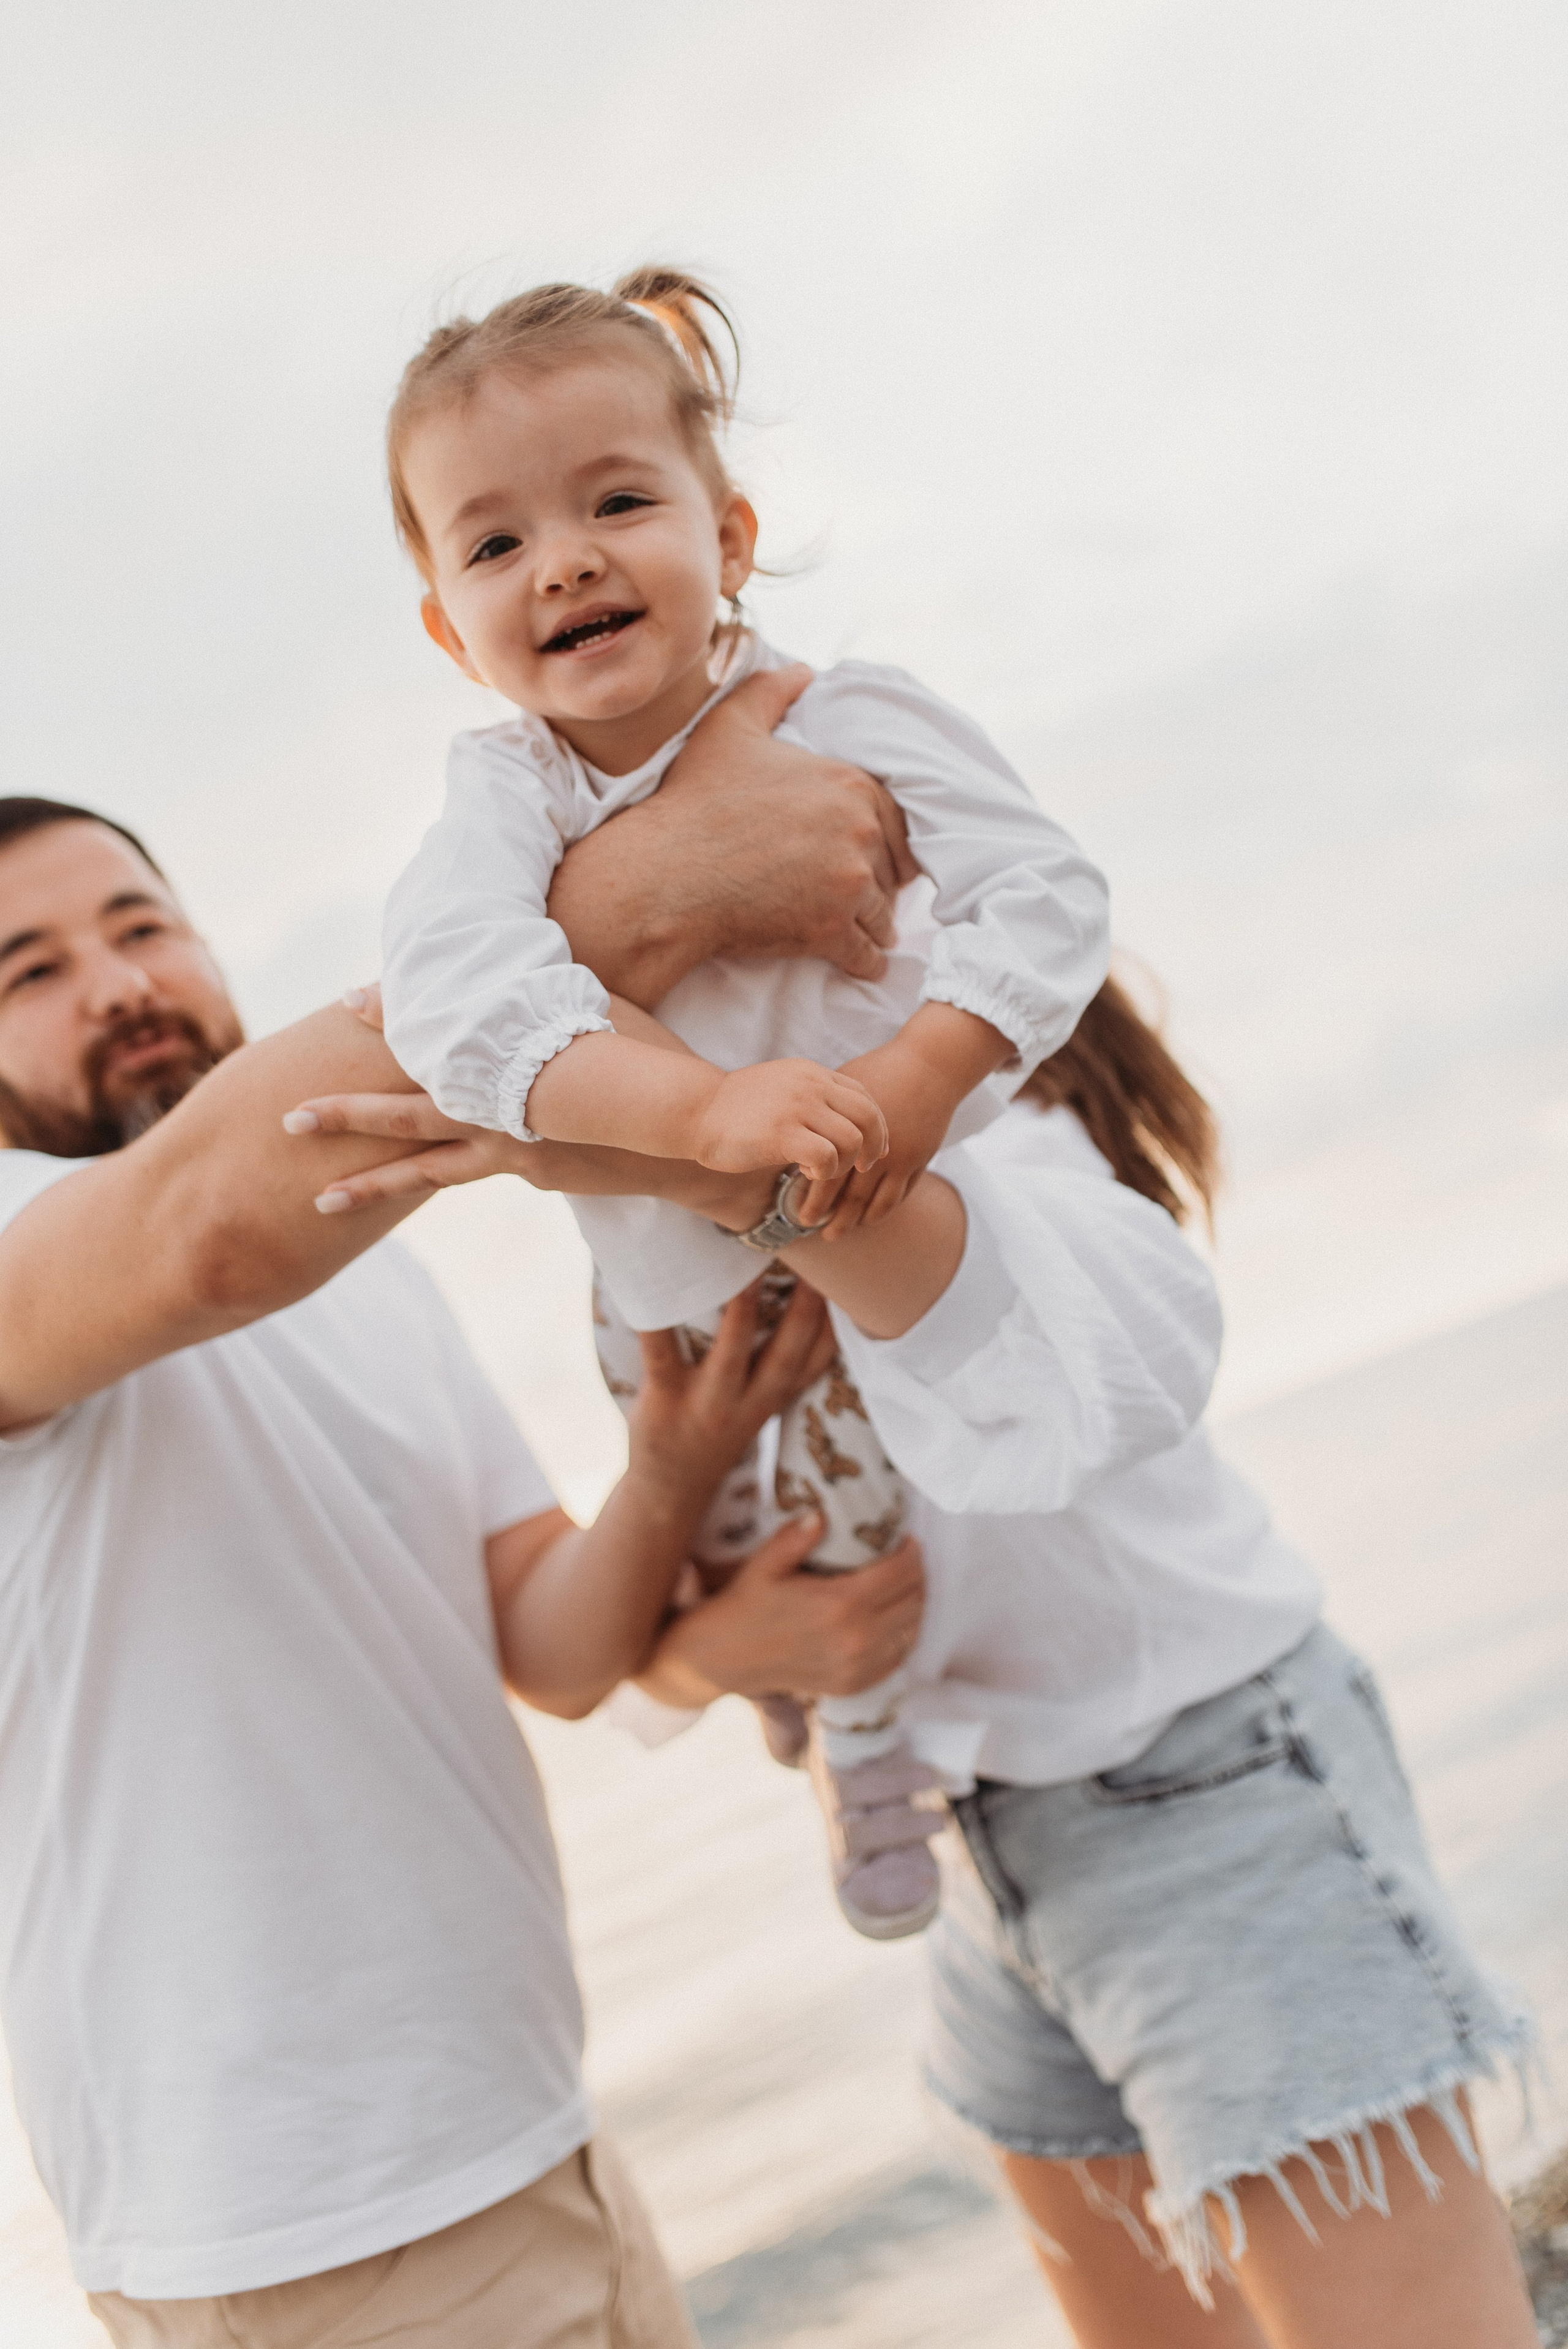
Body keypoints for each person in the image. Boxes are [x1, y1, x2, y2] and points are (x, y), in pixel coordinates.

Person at [304, 969, 1542, 2349]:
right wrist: (722, 1636)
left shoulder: (996, 1125)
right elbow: (649, 1648)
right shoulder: (691, 1251)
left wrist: (654, 1138)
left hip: (1206, 1791)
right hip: (982, 1847)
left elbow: (972, 1302)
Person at [0, 726, 928, 2348]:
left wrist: (668, 1464)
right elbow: (202, 1226)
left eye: (141, 924)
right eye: (29, 968)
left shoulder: (368, 1265)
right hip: (304, 2230)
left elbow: (550, 1648)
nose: (117, 983)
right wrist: (651, 890)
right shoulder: (44, 1252)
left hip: (533, 2135)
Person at [373, 265, 1112, 1934]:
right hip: (658, 1283)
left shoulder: (846, 716)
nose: (560, 558)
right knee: (705, 1532)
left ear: (731, 530)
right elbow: (455, 996)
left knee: (861, 1526)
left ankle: (865, 1753)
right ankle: (786, 1697)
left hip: (863, 1227)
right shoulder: (502, 799)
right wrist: (701, 1117)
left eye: (618, 500)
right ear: (447, 624)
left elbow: (1047, 891)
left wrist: (921, 1076)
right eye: (492, 545)